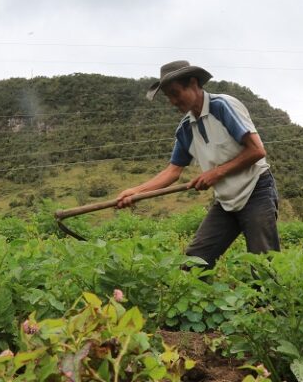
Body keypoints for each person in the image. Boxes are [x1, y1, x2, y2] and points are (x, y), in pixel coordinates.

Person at [116, 60, 280, 269]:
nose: (173, 102)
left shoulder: (222, 107)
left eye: (175, 93)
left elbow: (257, 150)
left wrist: (216, 173)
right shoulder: (185, 128)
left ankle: (269, 291)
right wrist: (136, 192)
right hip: (226, 200)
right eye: (168, 97)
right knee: (193, 263)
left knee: (264, 267)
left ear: (193, 83)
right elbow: (173, 171)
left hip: (256, 190)